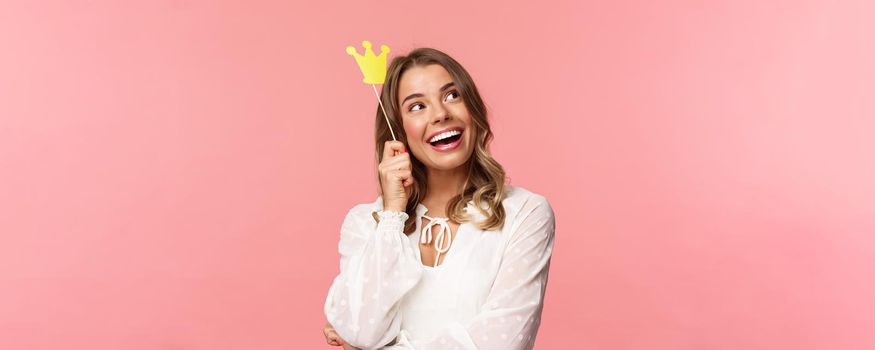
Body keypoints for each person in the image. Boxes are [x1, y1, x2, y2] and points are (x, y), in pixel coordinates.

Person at [322, 47, 556, 349]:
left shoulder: (525, 213)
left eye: (452, 95)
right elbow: (360, 331)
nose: (441, 113)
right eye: (417, 106)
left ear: (473, 109)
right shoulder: (364, 224)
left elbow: (500, 343)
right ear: (399, 131)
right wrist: (393, 213)